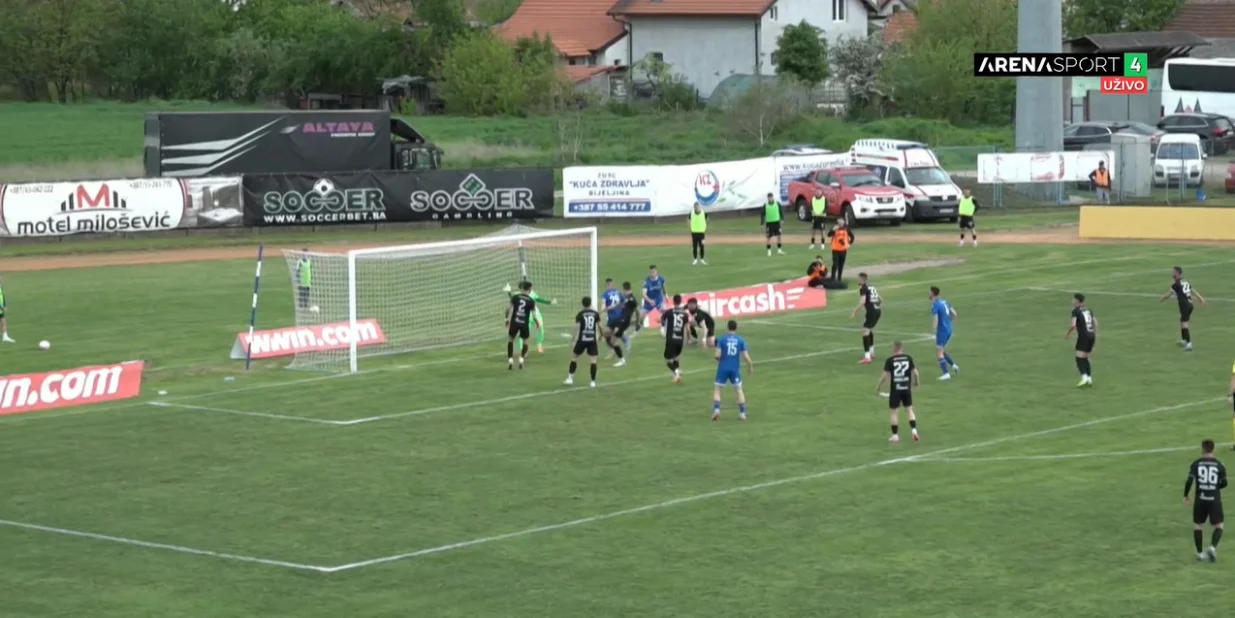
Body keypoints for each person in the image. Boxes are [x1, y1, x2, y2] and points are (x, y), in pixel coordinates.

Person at [1184, 439, 1226, 562]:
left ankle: (1199, 553)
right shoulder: (1220, 464)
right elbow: (1224, 483)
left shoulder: (1196, 463)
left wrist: (1186, 495)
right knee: (1219, 525)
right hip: (1214, 499)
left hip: (1200, 499)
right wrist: (1215, 488)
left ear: (1202, 449)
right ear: (1213, 449)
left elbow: (1190, 480)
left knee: (1198, 525)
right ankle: (1212, 547)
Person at [875, 341, 921, 443]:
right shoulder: (908, 358)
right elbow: (915, 373)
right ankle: (914, 431)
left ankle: (895, 436)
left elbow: (885, 376)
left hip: (896, 390)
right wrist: (916, 382)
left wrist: (878, 386)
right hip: (906, 389)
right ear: (902, 348)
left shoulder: (890, 360)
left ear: (894, 349)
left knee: (894, 413)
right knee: (909, 410)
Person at [712, 320, 754, 421]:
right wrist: (750, 365)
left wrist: (719, 359)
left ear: (728, 327)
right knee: (739, 390)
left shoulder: (722, 340)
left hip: (723, 368)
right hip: (735, 369)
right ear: (736, 328)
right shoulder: (740, 340)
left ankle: (717, 410)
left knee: (717, 389)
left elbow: (717, 355)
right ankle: (742, 414)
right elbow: (745, 356)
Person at [1159, 266, 1207, 352]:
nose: (1172, 273)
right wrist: (1201, 298)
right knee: (1182, 322)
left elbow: (1169, 294)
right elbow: (1192, 291)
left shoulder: (1176, 285)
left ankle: (1189, 344)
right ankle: (1184, 340)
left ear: (1177, 273)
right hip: (1190, 305)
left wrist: (1162, 298)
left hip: (1185, 306)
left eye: (1173, 272)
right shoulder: (1185, 282)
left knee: (1184, 324)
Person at [505, 283, 557, 353]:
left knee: (541, 329)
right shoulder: (517, 294)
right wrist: (508, 292)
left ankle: (539, 345)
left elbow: (539, 299)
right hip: (526, 316)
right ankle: (522, 349)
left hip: (536, 314)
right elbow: (513, 299)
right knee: (523, 333)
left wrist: (549, 302)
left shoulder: (532, 293)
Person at [563, 296, 601, 387]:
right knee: (593, 361)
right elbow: (600, 326)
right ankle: (593, 382)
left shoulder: (580, 314)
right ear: (590, 303)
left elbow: (577, 327)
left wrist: (573, 339)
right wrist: (601, 335)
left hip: (582, 339)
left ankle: (570, 378)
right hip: (592, 339)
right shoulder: (595, 314)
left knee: (574, 358)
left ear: (582, 304)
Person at [1065, 293, 1096, 387]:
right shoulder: (1089, 310)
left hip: (1084, 336)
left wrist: (1067, 334)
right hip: (1091, 335)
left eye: (1073, 299)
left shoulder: (1075, 311)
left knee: (1079, 357)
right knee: (1085, 357)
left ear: (1077, 301)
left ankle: (1084, 377)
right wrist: (1092, 332)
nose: (1072, 301)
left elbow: (1073, 325)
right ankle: (1089, 379)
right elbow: (1095, 323)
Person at [605, 281, 639, 367]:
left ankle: (621, 359)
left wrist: (637, 323)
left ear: (625, 289)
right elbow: (618, 305)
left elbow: (633, 312)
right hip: (619, 320)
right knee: (606, 332)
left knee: (613, 340)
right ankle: (617, 350)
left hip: (623, 322)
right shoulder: (626, 298)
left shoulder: (631, 300)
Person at [929, 286, 959, 380]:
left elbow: (935, 319)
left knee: (939, 353)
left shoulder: (935, 305)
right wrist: (949, 322)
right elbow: (954, 314)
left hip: (942, 331)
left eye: (929, 292)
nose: (928, 294)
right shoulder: (945, 302)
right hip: (949, 330)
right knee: (943, 350)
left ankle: (946, 374)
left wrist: (934, 332)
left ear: (933, 294)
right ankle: (954, 366)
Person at [851, 273, 882, 364]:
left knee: (865, 332)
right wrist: (875, 307)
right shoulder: (872, 287)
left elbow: (862, 302)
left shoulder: (863, 288)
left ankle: (867, 357)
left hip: (872, 312)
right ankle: (871, 353)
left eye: (858, 279)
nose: (857, 280)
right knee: (869, 330)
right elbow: (880, 299)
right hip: (877, 311)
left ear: (862, 279)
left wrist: (854, 312)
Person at [505, 281, 536, 370]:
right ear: (529, 289)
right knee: (525, 342)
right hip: (524, 324)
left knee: (511, 340)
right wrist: (537, 323)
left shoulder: (515, 297)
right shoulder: (531, 301)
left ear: (522, 288)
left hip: (514, 322)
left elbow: (508, 308)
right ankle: (521, 359)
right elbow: (534, 316)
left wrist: (506, 319)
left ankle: (510, 360)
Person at [660, 294, 689, 383]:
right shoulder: (685, 314)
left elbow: (662, 319)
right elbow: (687, 328)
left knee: (668, 360)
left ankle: (676, 372)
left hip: (671, 339)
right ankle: (676, 376)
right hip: (680, 339)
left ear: (673, 301)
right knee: (676, 358)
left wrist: (663, 327)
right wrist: (689, 338)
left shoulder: (669, 312)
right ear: (681, 301)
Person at [760, 192, 785, 256]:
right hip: (769, 223)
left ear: (773, 197)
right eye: (769, 197)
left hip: (776, 222)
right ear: (767, 198)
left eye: (771, 197)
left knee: (779, 236)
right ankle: (769, 251)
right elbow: (762, 214)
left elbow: (781, 211)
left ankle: (779, 250)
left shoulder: (777, 203)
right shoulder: (765, 205)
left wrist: (782, 219)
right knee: (768, 237)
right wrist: (762, 223)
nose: (770, 198)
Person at [0, 275, 13, 343]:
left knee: (3, 321)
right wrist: (2, 307)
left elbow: (2, 296)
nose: (1, 279)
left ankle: (5, 337)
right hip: (0, 308)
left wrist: (5, 305)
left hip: (1, 309)